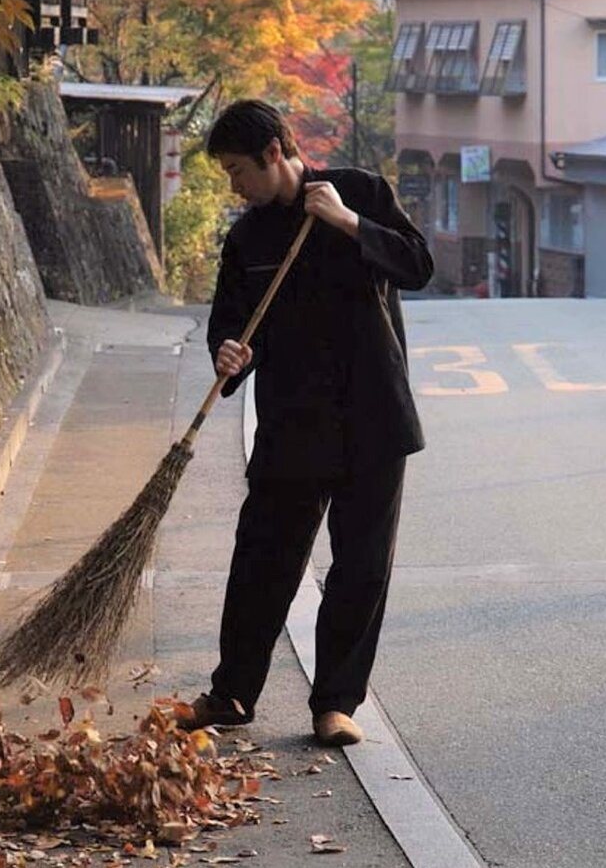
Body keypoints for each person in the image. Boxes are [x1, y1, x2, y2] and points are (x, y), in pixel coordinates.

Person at [178, 99, 433, 746]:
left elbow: (418, 264)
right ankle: (233, 690)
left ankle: (336, 703)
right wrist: (228, 352)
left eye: (238, 170)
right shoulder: (248, 238)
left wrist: (348, 224)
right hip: (292, 421)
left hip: (374, 413)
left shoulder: (360, 192)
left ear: (272, 154)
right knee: (262, 555)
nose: (235, 186)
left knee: (361, 564)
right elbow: (229, 325)